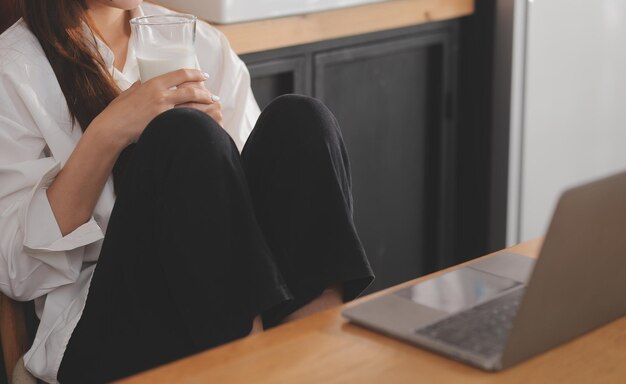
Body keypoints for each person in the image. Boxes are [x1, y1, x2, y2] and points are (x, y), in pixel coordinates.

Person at [0, 0, 374, 383]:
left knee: (302, 121)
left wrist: (214, 146)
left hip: (220, 302)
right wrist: (109, 132)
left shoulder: (200, 43)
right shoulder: (15, 68)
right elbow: (18, 273)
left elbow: (255, 223)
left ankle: (317, 354)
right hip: (106, 333)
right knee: (184, 135)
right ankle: (253, 365)